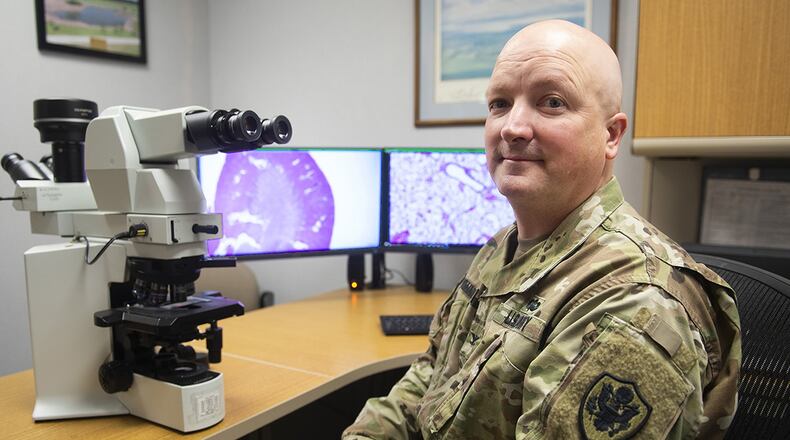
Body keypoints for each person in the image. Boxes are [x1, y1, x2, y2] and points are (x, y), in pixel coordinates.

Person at [343, 19, 740, 440]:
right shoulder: (503, 249)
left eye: (551, 102)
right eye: (499, 103)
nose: (512, 127)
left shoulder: (634, 302)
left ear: (610, 135)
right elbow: (430, 380)